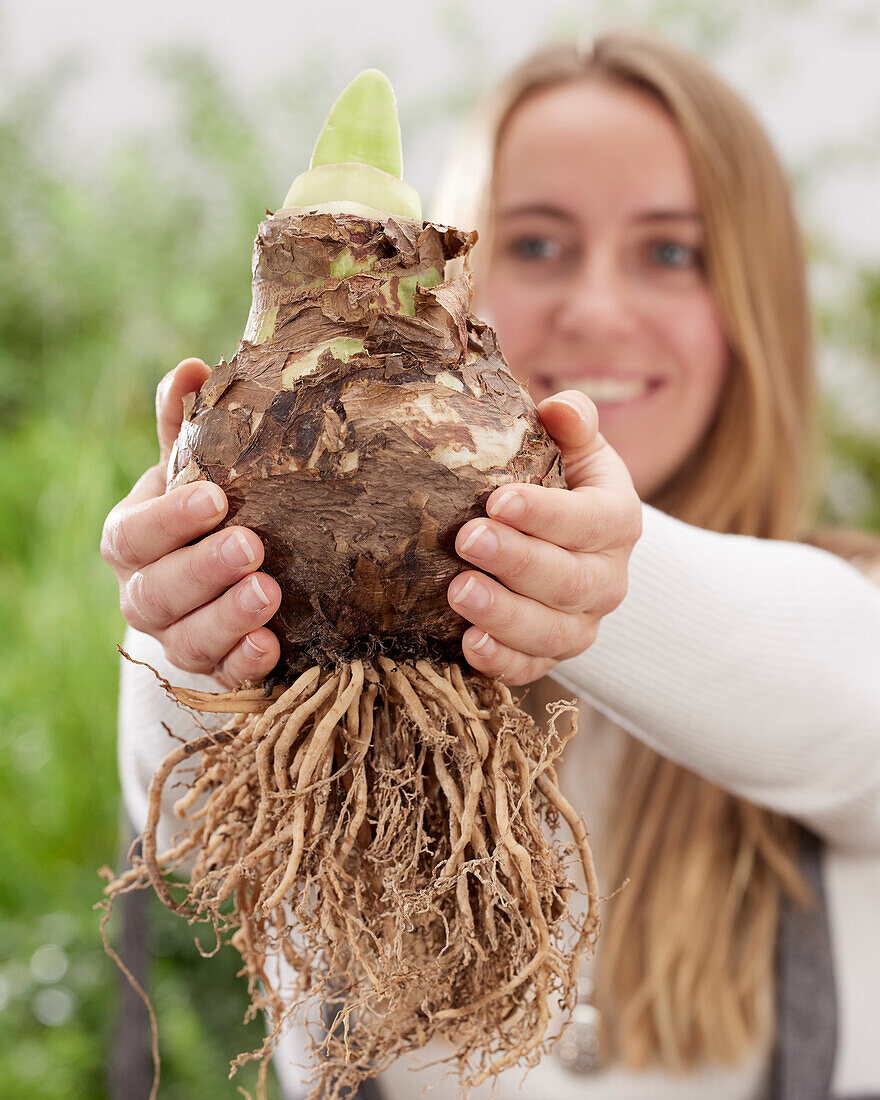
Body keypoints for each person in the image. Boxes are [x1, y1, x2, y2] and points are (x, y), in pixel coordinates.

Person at [101, 31, 880, 1100]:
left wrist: (575, 552)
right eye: (539, 245)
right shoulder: (310, 627)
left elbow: (851, 703)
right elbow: (182, 818)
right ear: (431, 274)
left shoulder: (835, 627)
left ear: (755, 307)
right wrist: (196, 583)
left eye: (669, 252)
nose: (596, 309)